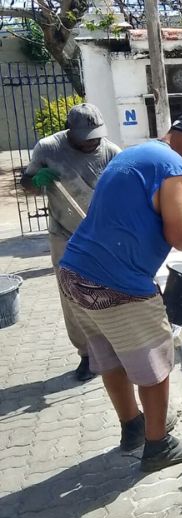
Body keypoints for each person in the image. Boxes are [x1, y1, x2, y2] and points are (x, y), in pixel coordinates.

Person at [57, 113, 182, 471]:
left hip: (74, 275)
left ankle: (133, 427)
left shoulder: (134, 153)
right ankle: (158, 445)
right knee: (155, 362)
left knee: (110, 356)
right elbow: (179, 232)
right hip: (116, 284)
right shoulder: (174, 164)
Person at [20, 103, 121, 382]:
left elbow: (126, 192)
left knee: (109, 293)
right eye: (85, 137)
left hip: (101, 236)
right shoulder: (48, 149)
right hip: (64, 234)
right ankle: (87, 355)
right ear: (70, 132)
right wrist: (36, 180)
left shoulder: (112, 152)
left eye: (96, 135)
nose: (92, 142)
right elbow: (26, 183)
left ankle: (114, 349)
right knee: (72, 297)